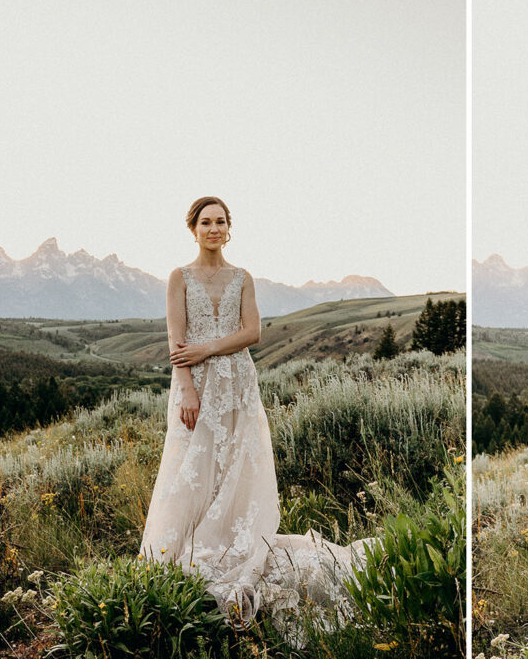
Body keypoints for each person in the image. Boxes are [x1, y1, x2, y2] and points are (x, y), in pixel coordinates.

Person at [140, 196, 372, 642]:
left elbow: (253, 333)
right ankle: (182, 549)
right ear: (193, 229)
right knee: (191, 465)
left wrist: (208, 348)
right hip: (196, 386)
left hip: (237, 385)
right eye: (205, 222)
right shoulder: (178, 278)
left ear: (230, 228)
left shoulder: (242, 278)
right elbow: (176, 338)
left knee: (234, 466)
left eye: (220, 221)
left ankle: (228, 543)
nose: (213, 228)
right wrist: (187, 386)